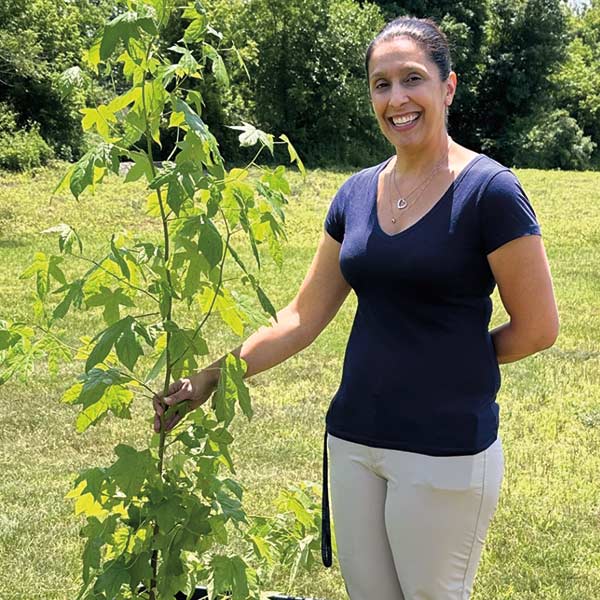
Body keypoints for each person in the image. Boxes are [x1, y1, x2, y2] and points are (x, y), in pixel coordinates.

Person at [153, 16, 559, 600]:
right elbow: (301, 317)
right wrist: (212, 375)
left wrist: (454, 359)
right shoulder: (355, 194)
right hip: (354, 442)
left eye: (412, 79)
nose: (396, 98)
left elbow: (539, 328)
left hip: (442, 449)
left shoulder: (490, 193)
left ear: (447, 87)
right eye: (381, 83)